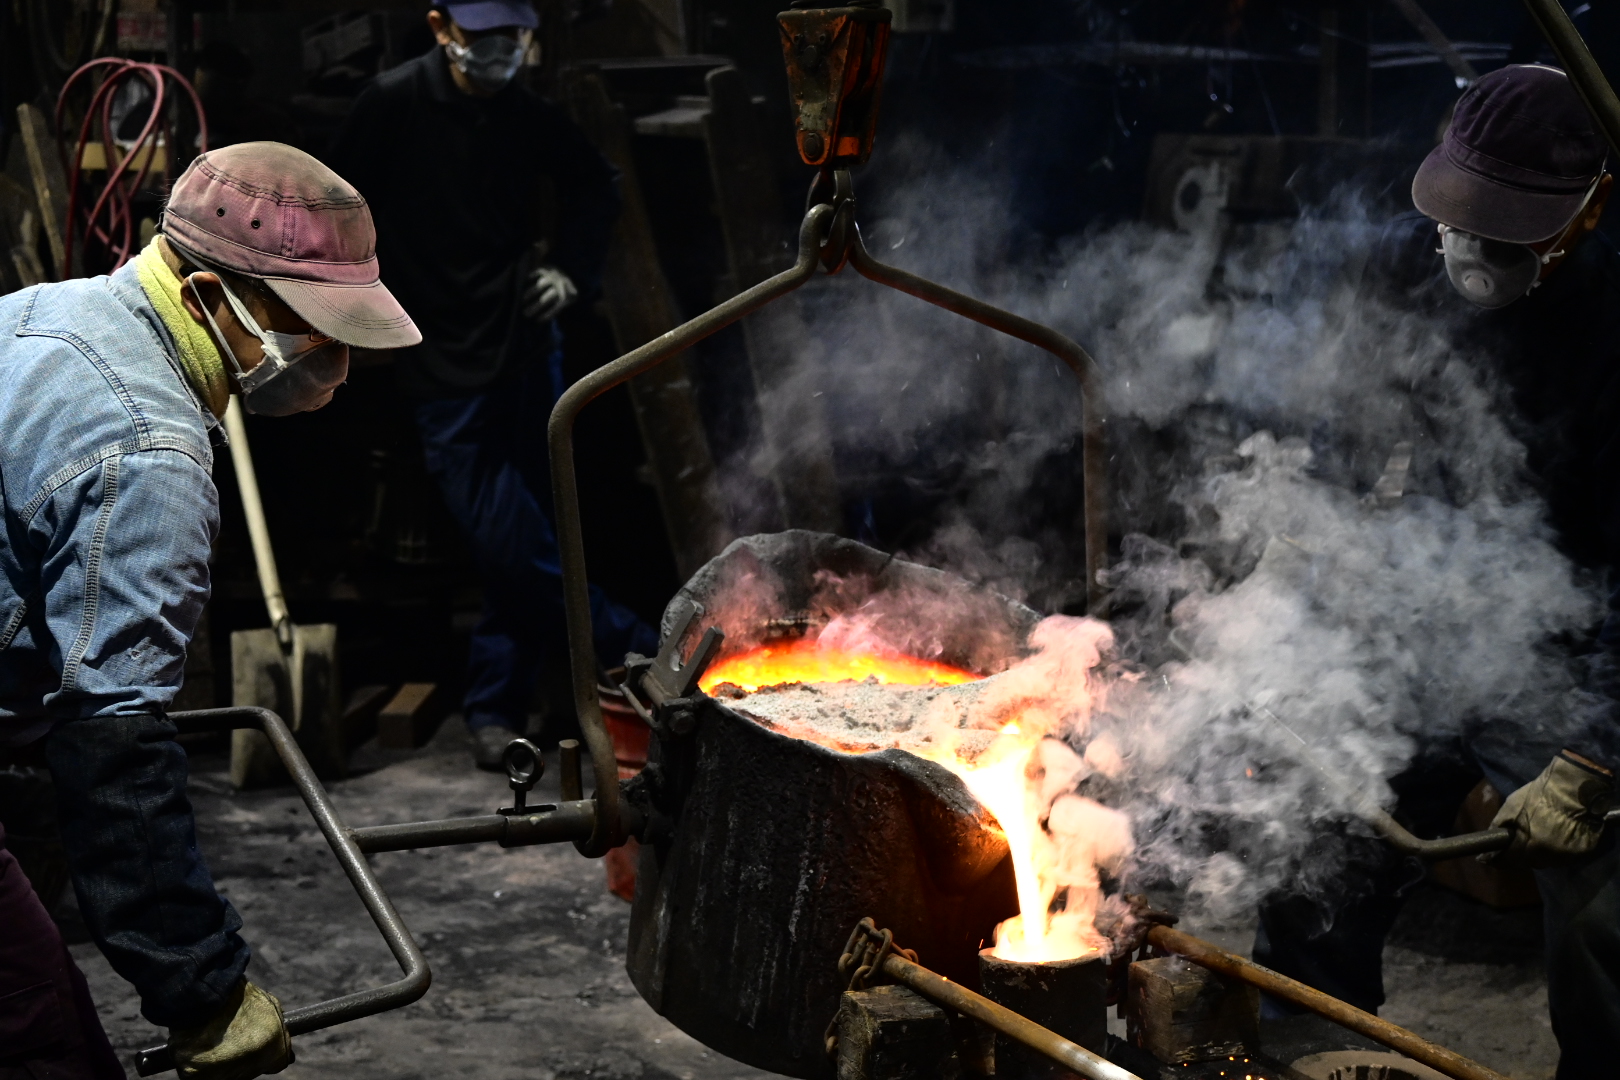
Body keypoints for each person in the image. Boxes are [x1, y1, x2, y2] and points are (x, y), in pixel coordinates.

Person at [0, 142, 419, 1078]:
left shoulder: (41, 312)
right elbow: (113, 752)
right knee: (45, 1047)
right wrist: (204, 993)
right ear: (204, 297)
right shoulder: (151, 454)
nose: (337, 361)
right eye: (313, 329)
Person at [1254, 64, 1620, 1074]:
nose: (1474, 254)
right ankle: (1299, 1043)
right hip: (1431, 602)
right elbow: (1342, 415)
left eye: (1510, 234)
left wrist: (1592, 762)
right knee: (1316, 817)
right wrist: (1296, 540)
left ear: (1590, 209)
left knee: (1606, 904)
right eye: (1464, 220)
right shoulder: (1402, 266)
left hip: (1571, 649)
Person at [327, 0, 658, 770]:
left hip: (524, 345)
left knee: (527, 531)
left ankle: (494, 705)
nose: (500, 50)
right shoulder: (394, 103)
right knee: (505, 534)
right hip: (439, 350)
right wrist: (354, 305)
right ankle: (635, 644)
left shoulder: (524, 111)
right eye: (483, 36)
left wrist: (569, 273)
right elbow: (332, 207)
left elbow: (596, 183)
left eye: (512, 36)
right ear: (441, 28)